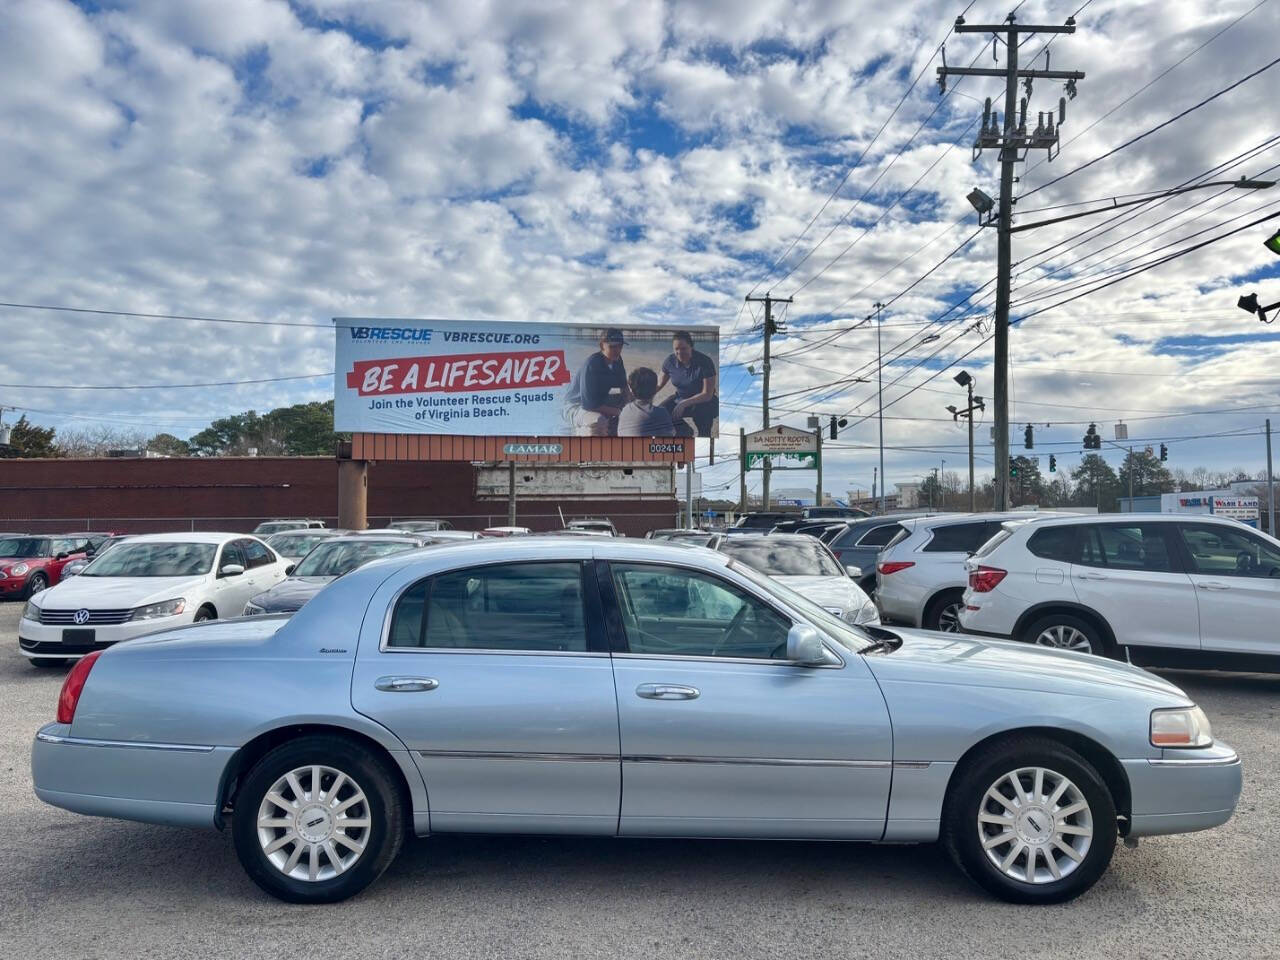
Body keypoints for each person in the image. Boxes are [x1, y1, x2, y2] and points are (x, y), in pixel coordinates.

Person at [565, 328, 629, 436]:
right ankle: (578, 430)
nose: (617, 350)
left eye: (620, 346)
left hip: (600, 401)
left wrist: (632, 407)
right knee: (599, 421)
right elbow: (589, 405)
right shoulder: (592, 364)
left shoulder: (617, 360)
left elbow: (624, 388)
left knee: (638, 401)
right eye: (612, 346)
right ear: (602, 346)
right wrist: (620, 412)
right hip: (576, 405)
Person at [658, 330, 718, 436]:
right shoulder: (670, 361)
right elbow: (658, 385)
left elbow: (707, 394)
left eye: (683, 348)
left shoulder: (705, 362)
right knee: (660, 414)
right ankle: (686, 432)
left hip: (703, 402)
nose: (679, 352)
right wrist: (640, 396)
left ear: (691, 346)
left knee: (704, 433)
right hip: (680, 398)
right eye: (676, 349)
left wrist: (684, 403)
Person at [618, 367, 684, 437]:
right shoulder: (659, 412)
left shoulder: (625, 410)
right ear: (655, 389)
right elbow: (671, 433)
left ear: (632, 391)